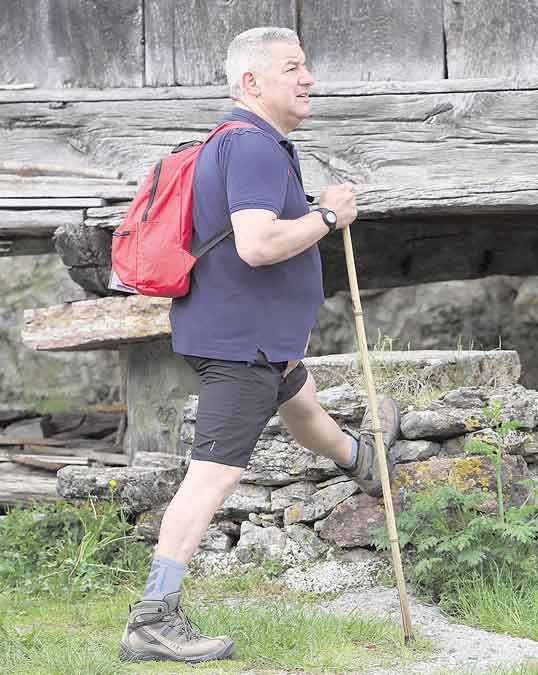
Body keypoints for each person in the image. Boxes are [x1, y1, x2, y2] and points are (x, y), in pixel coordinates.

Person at [118, 26, 400, 663]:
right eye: (293, 67)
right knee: (211, 478)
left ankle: (365, 460)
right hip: (242, 346)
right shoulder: (251, 149)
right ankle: (153, 616)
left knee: (301, 404)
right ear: (253, 82)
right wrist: (329, 216)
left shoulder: (248, 144)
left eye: (307, 66)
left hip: (257, 343)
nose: (309, 78)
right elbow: (256, 244)